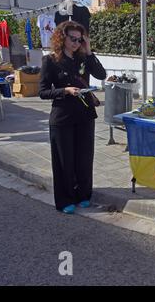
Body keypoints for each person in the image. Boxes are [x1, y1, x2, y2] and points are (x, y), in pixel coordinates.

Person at [39, 21, 106, 214]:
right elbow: (43, 92)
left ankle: (83, 195)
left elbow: (101, 74)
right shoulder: (50, 60)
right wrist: (65, 90)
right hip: (62, 117)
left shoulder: (83, 58)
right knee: (64, 161)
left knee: (84, 159)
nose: (76, 43)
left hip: (85, 115)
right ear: (62, 37)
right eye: (73, 39)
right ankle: (65, 199)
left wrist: (89, 50)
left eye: (80, 39)